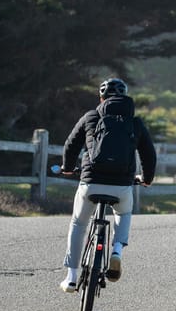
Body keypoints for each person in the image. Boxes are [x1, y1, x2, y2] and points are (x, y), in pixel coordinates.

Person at [58, 77, 156, 292]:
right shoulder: (135, 122)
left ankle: (72, 277)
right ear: (124, 97)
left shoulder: (90, 117)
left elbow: (71, 145)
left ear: (101, 98)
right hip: (121, 185)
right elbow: (149, 154)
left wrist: (67, 167)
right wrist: (146, 179)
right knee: (123, 214)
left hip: (91, 183)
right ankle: (116, 252)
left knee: (78, 224)